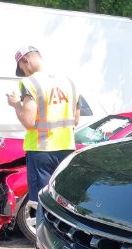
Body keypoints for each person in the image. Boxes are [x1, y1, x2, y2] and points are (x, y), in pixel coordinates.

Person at [6, 46, 80, 210]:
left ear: (25, 60)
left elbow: (29, 122)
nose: (24, 72)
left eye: (22, 68)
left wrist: (16, 105)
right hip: (67, 149)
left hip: (41, 151)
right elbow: (76, 120)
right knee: (63, 202)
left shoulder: (29, 83)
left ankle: (42, 236)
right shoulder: (69, 82)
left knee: (42, 203)